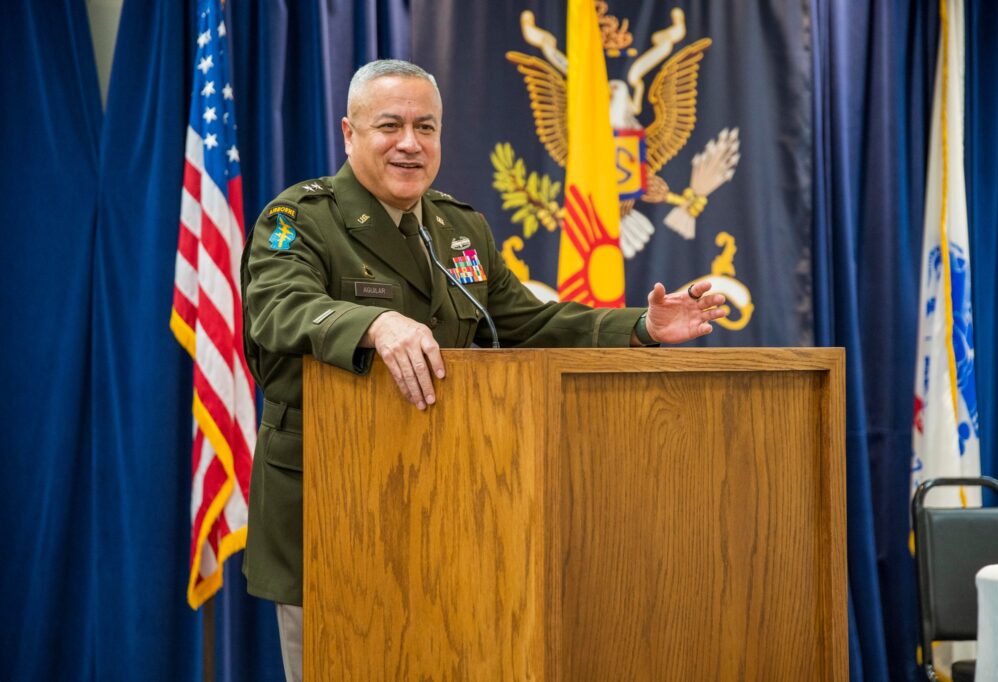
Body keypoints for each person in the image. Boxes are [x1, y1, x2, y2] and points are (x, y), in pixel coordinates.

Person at [240, 59, 726, 682]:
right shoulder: (301, 219)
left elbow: (528, 324)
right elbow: (278, 311)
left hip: (452, 505)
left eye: (427, 126)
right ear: (349, 133)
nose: (410, 143)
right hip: (335, 512)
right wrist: (373, 324)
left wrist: (642, 327)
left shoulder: (457, 227)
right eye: (390, 125)